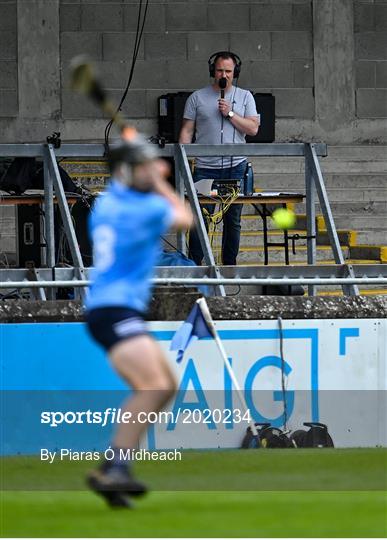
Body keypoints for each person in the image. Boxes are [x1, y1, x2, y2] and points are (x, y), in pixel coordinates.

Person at [84, 131, 193, 508]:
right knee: (152, 386)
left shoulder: (108, 203)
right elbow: (186, 217)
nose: (156, 170)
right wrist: (160, 178)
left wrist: (138, 159)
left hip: (110, 310)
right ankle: (115, 467)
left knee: (163, 386)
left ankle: (114, 469)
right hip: (114, 310)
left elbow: (125, 180)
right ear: (131, 172)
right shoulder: (141, 210)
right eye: (146, 167)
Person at [179, 51, 260, 266]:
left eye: (228, 71)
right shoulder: (197, 97)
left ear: (235, 73)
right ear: (212, 72)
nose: (223, 74)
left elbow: (253, 129)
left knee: (233, 220)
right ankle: (194, 265)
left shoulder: (245, 97)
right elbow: (187, 131)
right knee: (200, 218)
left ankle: (229, 266)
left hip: (236, 166)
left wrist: (231, 114)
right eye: (219, 70)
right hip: (206, 168)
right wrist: (183, 160)